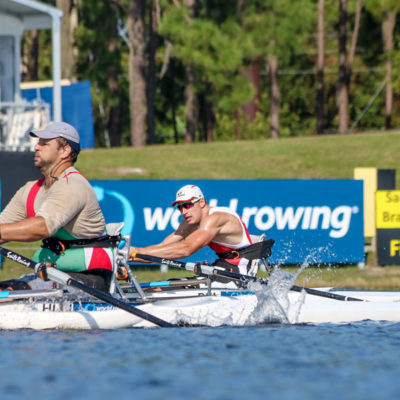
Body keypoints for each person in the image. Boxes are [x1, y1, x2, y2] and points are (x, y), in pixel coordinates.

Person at [0, 122, 113, 292]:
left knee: (9, 291)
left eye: (45, 143)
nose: (36, 147)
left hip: (90, 279)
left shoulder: (73, 184)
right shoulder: (29, 190)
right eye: (38, 143)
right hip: (53, 276)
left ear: (65, 151)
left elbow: (42, 227)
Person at [130, 184, 262, 280]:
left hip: (241, 273)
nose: (184, 211)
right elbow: (162, 249)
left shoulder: (215, 219)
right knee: (159, 288)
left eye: (187, 205)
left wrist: (138, 252)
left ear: (202, 202)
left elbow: (186, 249)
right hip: (225, 268)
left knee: (163, 289)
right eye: (180, 207)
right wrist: (131, 254)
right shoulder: (190, 221)